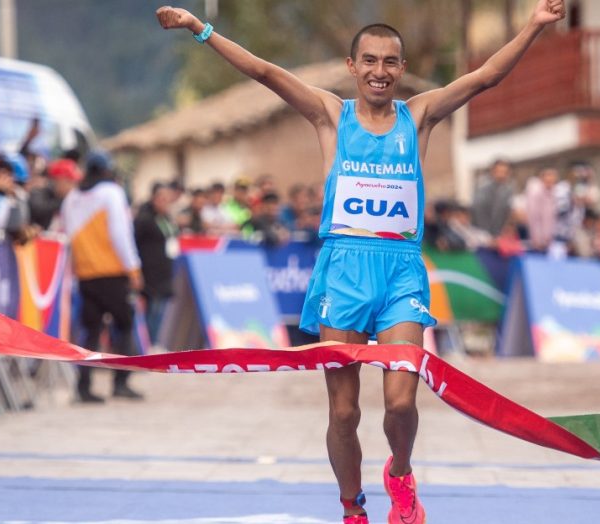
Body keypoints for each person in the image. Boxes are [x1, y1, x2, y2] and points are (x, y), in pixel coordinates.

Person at [156, 2, 567, 523]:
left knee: (399, 402)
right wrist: (200, 29)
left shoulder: (418, 116)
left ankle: (400, 471)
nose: (380, 71)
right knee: (344, 411)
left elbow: (486, 76)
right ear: (353, 66)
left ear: (401, 67)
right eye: (369, 60)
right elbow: (263, 70)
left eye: (390, 62)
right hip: (342, 271)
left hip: (400, 270)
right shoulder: (331, 114)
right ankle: (352, 508)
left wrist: (532, 25)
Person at [60, 151, 144, 403]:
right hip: (113, 272)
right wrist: (134, 268)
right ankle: (121, 382)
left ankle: (83, 387)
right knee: (125, 326)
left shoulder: (72, 198)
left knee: (90, 332)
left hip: (85, 275)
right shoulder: (111, 192)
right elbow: (120, 233)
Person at [134, 182, 178, 346]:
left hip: (164, 268)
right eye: (162, 199)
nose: (165, 202)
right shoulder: (144, 218)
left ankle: (155, 340)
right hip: (150, 269)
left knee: (162, 306)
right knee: (152, 307)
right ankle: (148, 341)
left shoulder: (166, 219)